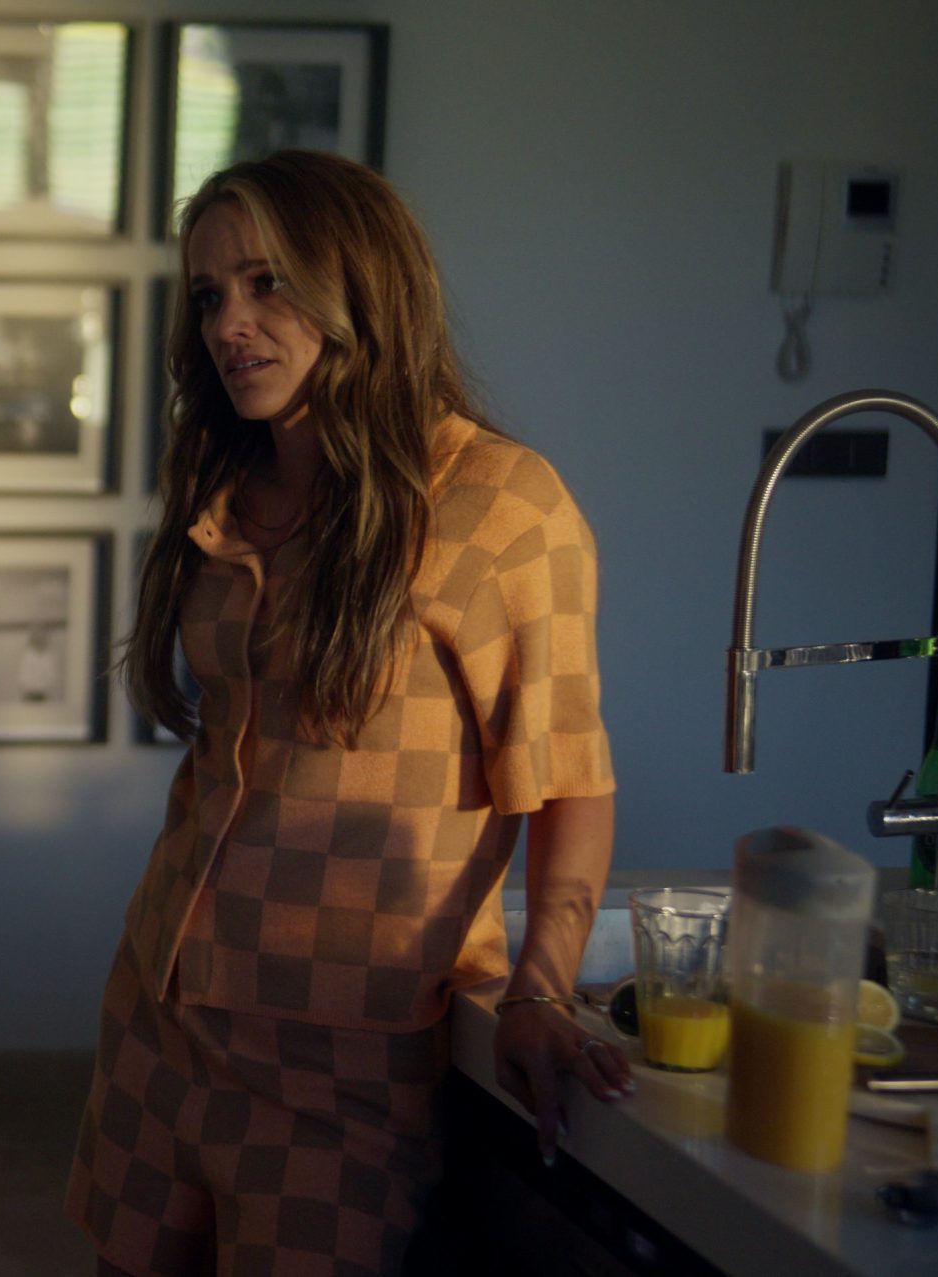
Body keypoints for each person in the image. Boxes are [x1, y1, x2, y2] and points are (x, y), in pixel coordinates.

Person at [65, 150, 625, 1276]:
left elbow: (566, 780)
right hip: (160, 1012)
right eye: (209, 295)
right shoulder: (225, 481)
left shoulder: (501, 508)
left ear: (358, 285)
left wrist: (542, 987)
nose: (230, 324)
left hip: (337, 1067)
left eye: (266, 283)